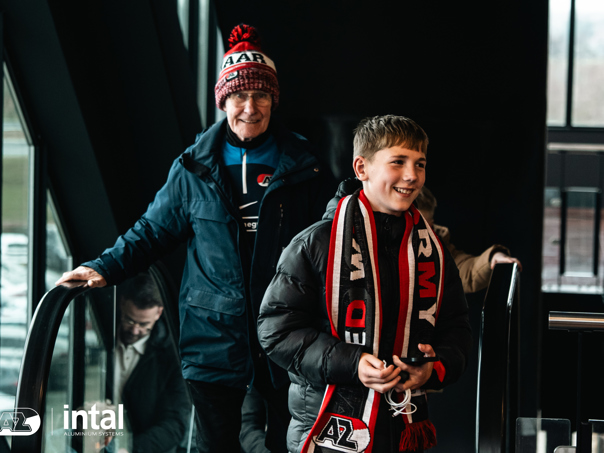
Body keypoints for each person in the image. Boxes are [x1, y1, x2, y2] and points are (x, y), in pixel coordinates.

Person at [56, 23, 335, 453]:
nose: (250, 107)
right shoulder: (192, 167)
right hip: (213, 341)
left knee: (292, 443)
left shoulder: (305, 165)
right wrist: (103, 267)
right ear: (223, 101)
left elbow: (332, 242)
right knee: (214, 446)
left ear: (273, 100)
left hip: (288, 334)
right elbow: (152, 231)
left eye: (261, 95)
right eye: (239, 96)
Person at [257, 115, 472, 452]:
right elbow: (276, 331)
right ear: (362, 168)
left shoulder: (433, 249)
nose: (412, 175)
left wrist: (433, 367)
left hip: (403, 430)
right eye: (398, 162)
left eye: (420, 164)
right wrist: (352, 363)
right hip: (328, 434)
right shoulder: (315, 243)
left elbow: (457, 329)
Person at [112, 273, 188, 453]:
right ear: (122, 303)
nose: (135, 330)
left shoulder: (173, 358)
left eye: (143, 324)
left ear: (159, 313)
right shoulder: (101, 333)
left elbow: (175, 425)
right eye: (130, 320)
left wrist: (130, 449)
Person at [415, 186, 522, 294]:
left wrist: (492, 257)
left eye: (419, 226)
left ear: (430, 225)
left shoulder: (437, 250)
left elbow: (468, 271)